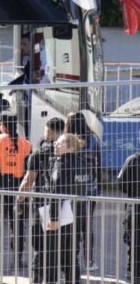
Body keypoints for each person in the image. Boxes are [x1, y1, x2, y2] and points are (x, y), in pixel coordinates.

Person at [18, 116, 65, 283]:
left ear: (50, 132)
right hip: (62, 208)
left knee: (40, 248)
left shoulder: (38, 154)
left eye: (45, 130)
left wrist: (19, 201)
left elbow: (28, 181)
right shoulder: (67, 154)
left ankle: (37, 280)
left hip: (41, 206)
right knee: (55, 249)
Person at [44, 133, 88, 284]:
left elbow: (57, 192)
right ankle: (73, 280)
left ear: (70, 148)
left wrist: (53, 218)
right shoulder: (83, 162)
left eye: (60, 143)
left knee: (54, 252)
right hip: (79, 213)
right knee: (71, 252)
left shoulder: (62, 163)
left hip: (64, 215)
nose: (55, 144)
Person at [0, 111, 31, 265]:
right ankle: (17, 260)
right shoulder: (26, 144)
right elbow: (30, 167)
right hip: (18, 188)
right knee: (17, 226)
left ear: (3, 126)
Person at [65, 111, 101, 271]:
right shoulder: (93, 139)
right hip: (90, 188)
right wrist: (98, 186)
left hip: (71, 189)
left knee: (71, 225)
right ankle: (89, 261)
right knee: (87, 226)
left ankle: (71, 260)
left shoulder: (68, 140)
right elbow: (99, 164)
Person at [117, 151, 140, 283]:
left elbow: (121, 184)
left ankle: (132, 273)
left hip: (134, 207)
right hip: (134, 208)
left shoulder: (132, 160)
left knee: (134, 243)